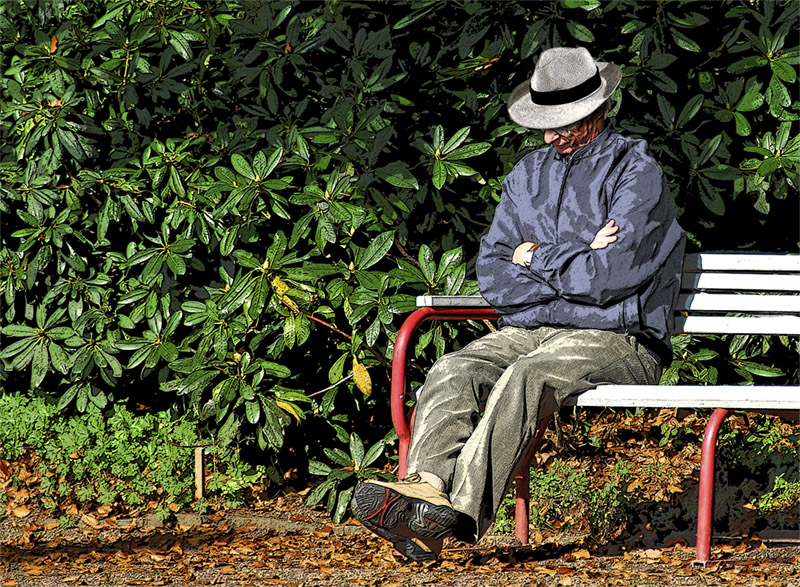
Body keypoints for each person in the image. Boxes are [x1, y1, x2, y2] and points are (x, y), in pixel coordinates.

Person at [350, 47, 686, 562]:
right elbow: (495, 277)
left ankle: (448, 519)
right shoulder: (527, 175)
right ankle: (425, 488)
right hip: (528, 331)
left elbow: (612, 279)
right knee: (452, 368)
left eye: (563, 125)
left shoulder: (636, 173)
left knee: (526, 377)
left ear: (597, 112)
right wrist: (577, 256)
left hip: (617, 338)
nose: (550, 137)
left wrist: (536, 257)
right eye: (545, 124)